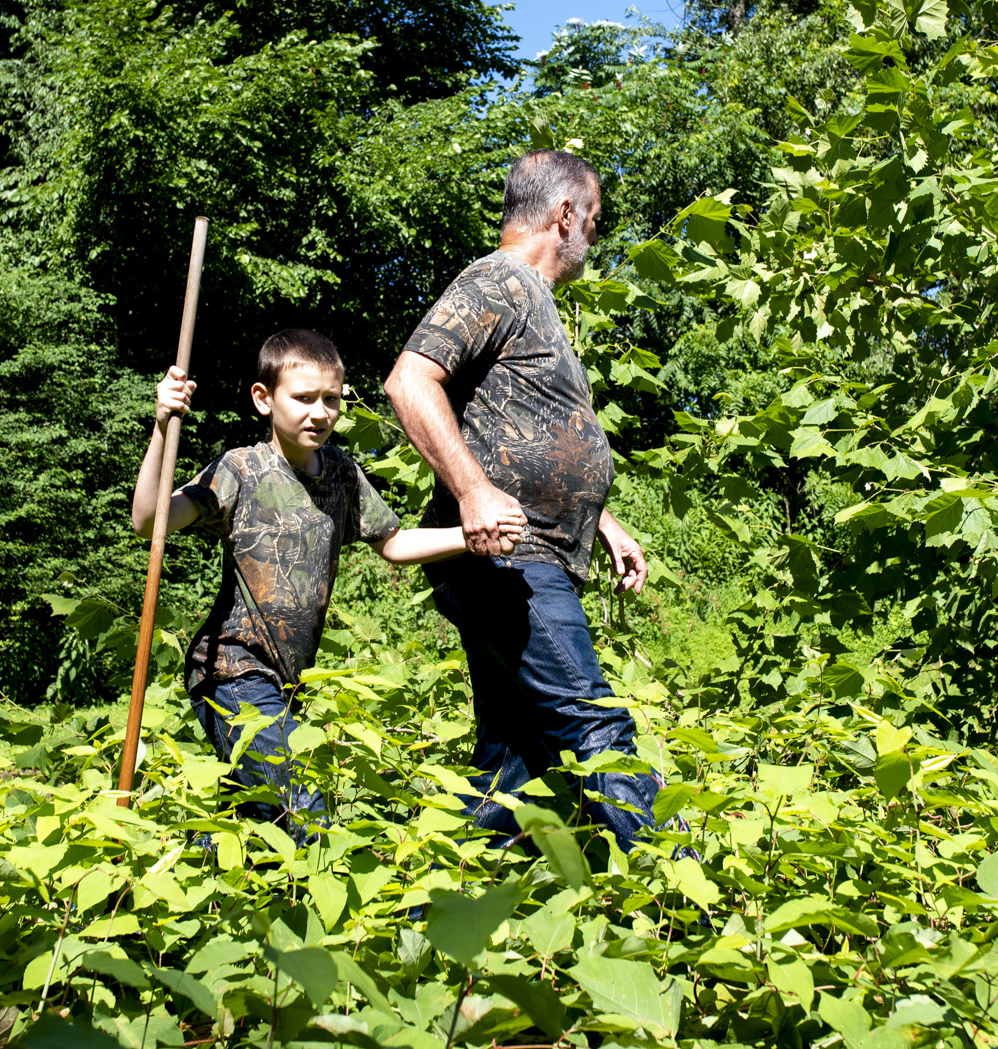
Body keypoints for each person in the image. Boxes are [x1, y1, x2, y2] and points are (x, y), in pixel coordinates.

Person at [133, 328, 520, 840]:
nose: (320, 412)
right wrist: (163, 426)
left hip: (288, 680)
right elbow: (148, 520)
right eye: (303, 398)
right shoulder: (241, 469)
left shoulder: (340, 471)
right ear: (263, 399)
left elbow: (394, 542)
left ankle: (181, 889)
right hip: (230, 671)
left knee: (254, 826)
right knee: (304, 799)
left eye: (331, 400)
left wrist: (469, 535)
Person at [384, 150, 667, 853]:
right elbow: (409, 382)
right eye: (594, 223)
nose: (593, 240)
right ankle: (691, 895)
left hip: (531, 551)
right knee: (593, 721)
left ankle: (451, 919)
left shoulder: (533, 302)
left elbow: (520, 429)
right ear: (563, 215)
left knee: (515, 766)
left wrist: (600, 517)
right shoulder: (497, 280)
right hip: (509, 557)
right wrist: (473, 492)